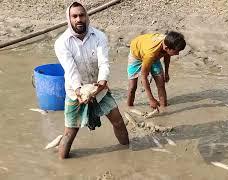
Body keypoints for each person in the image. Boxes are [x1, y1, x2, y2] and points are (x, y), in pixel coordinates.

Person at [54, 2, 129, 159]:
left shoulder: (99, 36)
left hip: (98, 88)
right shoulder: (62, 42)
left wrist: (102, 82)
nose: (79, 19)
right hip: (75, 92)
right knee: (70, 132)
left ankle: (128, 154)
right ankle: (62, 162)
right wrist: (79, 91)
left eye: (82, 15)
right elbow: (71, 70)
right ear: (69, 19)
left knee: (119, 122)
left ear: (87, 16)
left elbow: (104, 63)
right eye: (74, 16)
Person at [127, 31, 186, 109]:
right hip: (136, 54)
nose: (178, 54)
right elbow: (144, 76)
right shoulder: (151, 53)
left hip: (153, 54)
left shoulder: (169, 42)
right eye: (177, 51)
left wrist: (166, 73)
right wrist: (151, 99)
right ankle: (129, 107)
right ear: (167, 48)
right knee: (132, 87)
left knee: (161, 83)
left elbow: (167, 55)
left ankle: (163, 108)